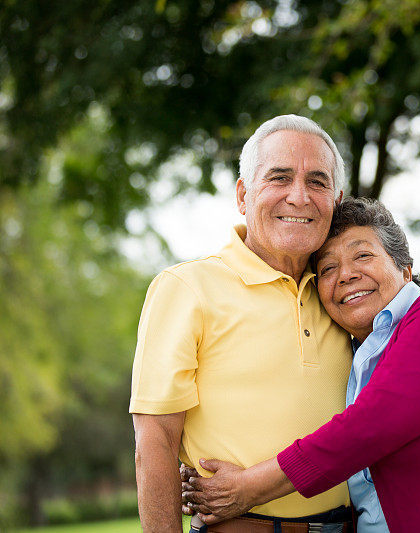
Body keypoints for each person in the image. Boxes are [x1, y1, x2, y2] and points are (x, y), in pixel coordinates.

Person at [182, 198, 420, 532]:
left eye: (363, 256)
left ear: (405, 270)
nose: (345, 274)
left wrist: (247, 487)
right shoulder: (354, 360)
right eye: (327, 269)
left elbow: (366, 428)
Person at [129, 115, 357, 532]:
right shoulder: (186, 287)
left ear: (337, 201)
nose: (299, 197)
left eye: (318, 182)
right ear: (242, 194)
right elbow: (155, 443)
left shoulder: (346, 296)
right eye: (280, 177)